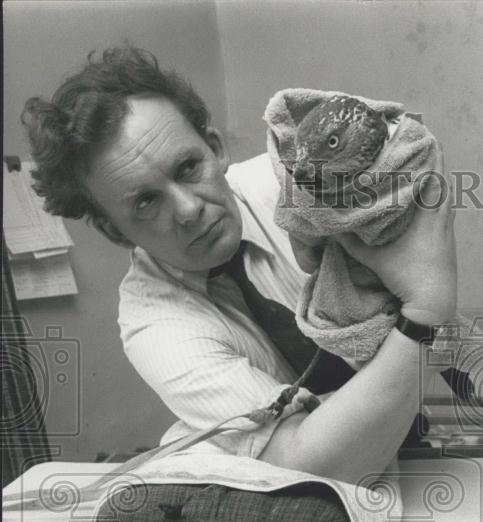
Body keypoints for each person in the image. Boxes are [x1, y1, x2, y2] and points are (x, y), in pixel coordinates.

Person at [22, 46, 458, 487]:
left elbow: (415, 172)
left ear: (215, 148)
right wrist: (425, 311)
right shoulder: (154, 325)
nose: (189, 209)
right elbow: (314, 466)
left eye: (188, 167)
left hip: (445, 438)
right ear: (115, 232)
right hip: (357, 488)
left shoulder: (296, 181)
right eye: (146, 201)